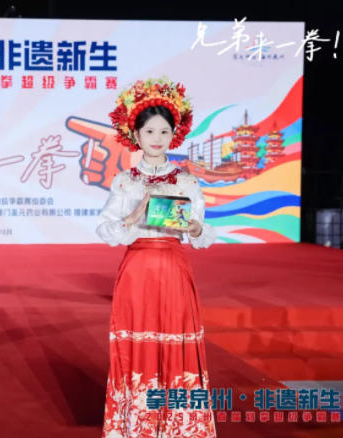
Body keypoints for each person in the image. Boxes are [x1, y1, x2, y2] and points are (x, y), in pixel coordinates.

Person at [98, 78, 217, 438]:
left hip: (173, 267)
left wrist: (193, 226)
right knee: (137, 342)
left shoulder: (186, 182)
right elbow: (106, 229)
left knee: (175, 340)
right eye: (149, 130)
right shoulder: (125, 182)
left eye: (164, 131)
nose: (157, 138)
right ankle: (136, 424)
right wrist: (136, 214)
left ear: (174, 135)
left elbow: (203, 233)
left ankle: (180, 425)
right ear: (135, 134)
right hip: (137, 269)